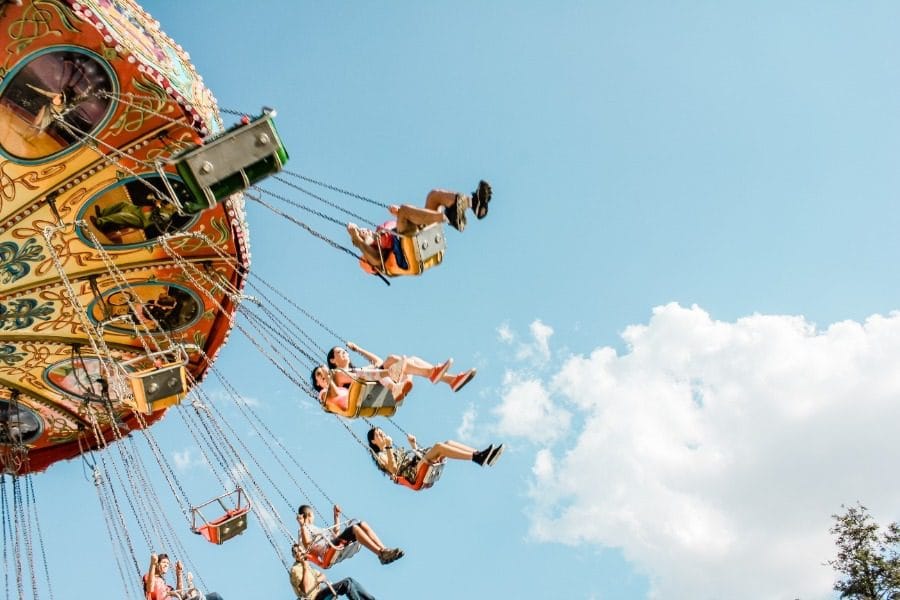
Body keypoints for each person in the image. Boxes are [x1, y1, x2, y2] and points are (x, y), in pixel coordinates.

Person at [347, 181, 491, 275]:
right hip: (407, 255)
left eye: (362, 229)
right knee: (405, 211)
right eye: (361, 232)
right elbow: (377, 260)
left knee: (433, 196)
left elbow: (406, 223)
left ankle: (474, 204)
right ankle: (448, 217)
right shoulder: (370, 253)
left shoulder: (381, 231)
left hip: (416, 235)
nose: (363, 230)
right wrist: (357, 238)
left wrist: (398, 215)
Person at [366, 427, 503, 484]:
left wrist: (413, 445)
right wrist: (389, 446)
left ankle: (481, 455)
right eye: (378, 434)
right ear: (373, 441)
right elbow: (394, 470)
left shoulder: (393, 450)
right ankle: (478, 458)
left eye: (382, 431)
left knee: (448, 443)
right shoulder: (380, 455)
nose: (382, 434)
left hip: (416, 465)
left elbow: (416, 458)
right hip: (412, 474)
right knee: (439, 447)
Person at [329, 342, 477, 393]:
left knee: (412, 359)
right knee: (395, 359)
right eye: (339, 352)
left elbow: (377, 361)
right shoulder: (340, 374)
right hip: (377, 389)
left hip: (385, 381)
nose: (344, 353)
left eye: (344, 351)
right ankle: (440, 376)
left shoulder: (359, 369)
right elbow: (371, 373)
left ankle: (450, 380)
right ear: (332, 360)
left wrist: (358, 349)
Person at [297, 504, 403, 566]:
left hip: (333, 545)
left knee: (362, 523)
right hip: (326, 551)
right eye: (313, 515)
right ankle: (380, 553)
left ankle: (384, 550)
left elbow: (336, 534)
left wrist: (336, 516)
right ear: (310, 515)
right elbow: (307, 545)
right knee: (355, 529)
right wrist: (302, 525)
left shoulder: (317, 529)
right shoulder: (303, 530)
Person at [310, 365, 412, 416]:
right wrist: (329, 379)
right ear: (317, 383)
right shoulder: (322, 393)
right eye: (319, 374)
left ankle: (397, 386)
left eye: (324, 372)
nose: (323, 375)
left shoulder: (341, 387)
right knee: (362, 375)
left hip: (359, 398)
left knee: (370, 371)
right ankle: (391, 374)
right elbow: (335, 396)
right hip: (350, 403)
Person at [290, 544, 378, 600]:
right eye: (297, 552)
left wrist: (316, 580)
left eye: (301, 550)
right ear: (295, 556)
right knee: (346, 583)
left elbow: (322, 576)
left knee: (350, 580)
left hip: (319, 594)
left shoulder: (308, 567)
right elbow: (306, 590)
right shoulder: (296, 569)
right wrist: (305, 567)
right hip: (314, 598)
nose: (301, 552)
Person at [143, 552, 223, 600]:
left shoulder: (167, 587)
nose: (166, 565)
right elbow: (150, 588)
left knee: (215, 596)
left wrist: (179, 573)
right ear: (157, 564)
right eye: (164, 562)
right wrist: (152, 564)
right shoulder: (149, 577)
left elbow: (180, 594)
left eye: (167, 564)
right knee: (215, 597)